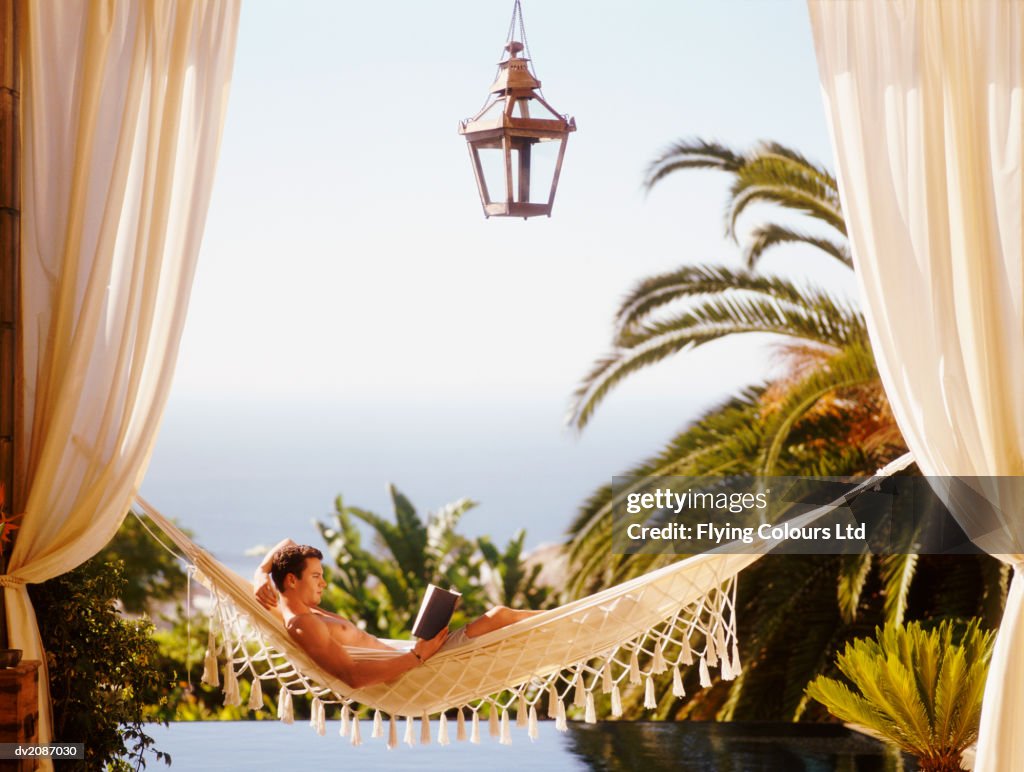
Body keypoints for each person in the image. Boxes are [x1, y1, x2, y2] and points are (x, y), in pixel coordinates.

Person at [252, 538, 540, 689]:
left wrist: (260, 573)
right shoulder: (303, 624)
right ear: (291, 580)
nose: (324, 583)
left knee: (502, 618)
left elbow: (287, 543)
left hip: (410, 653)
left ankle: (574, 619)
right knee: (500, 616)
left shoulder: (304, 608)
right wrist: (418, 656)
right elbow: (352, 676)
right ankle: (576, 619)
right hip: (417, 668)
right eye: (316, 576)